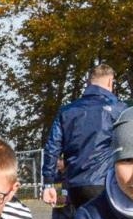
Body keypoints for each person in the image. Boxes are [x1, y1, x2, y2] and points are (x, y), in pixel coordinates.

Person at [41, 63, 125, 208]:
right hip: (105, 182)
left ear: (88, 83)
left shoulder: (67, 111)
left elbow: (52, 147)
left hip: (75, 185)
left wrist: (48, 183)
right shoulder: (119, 109)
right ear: (110, 82)